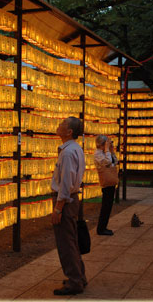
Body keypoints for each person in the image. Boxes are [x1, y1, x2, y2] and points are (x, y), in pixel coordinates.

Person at [50, 117, 87, 295]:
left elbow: (65, 183)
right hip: (72, 199)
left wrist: (58, 208)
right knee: (72, 240)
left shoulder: (67, 152)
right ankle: (79, 276)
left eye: (62, 124)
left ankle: (74, 281)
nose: (58, 126)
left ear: (69, 131)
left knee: (66, 243)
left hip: (66, 200)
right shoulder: (76, 149)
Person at [94, 135, 118, 236]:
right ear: (102, 144)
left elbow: (115, 161)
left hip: (111, 181)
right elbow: (107, 162)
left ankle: (104, 227)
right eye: (107, 142)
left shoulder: (106, 152)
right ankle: (101, 228)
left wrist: (111, 151)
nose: (109, 144)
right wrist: (107, 150)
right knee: (105, 206)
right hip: (106, 182)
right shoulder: (98, 153)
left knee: (108, 206)